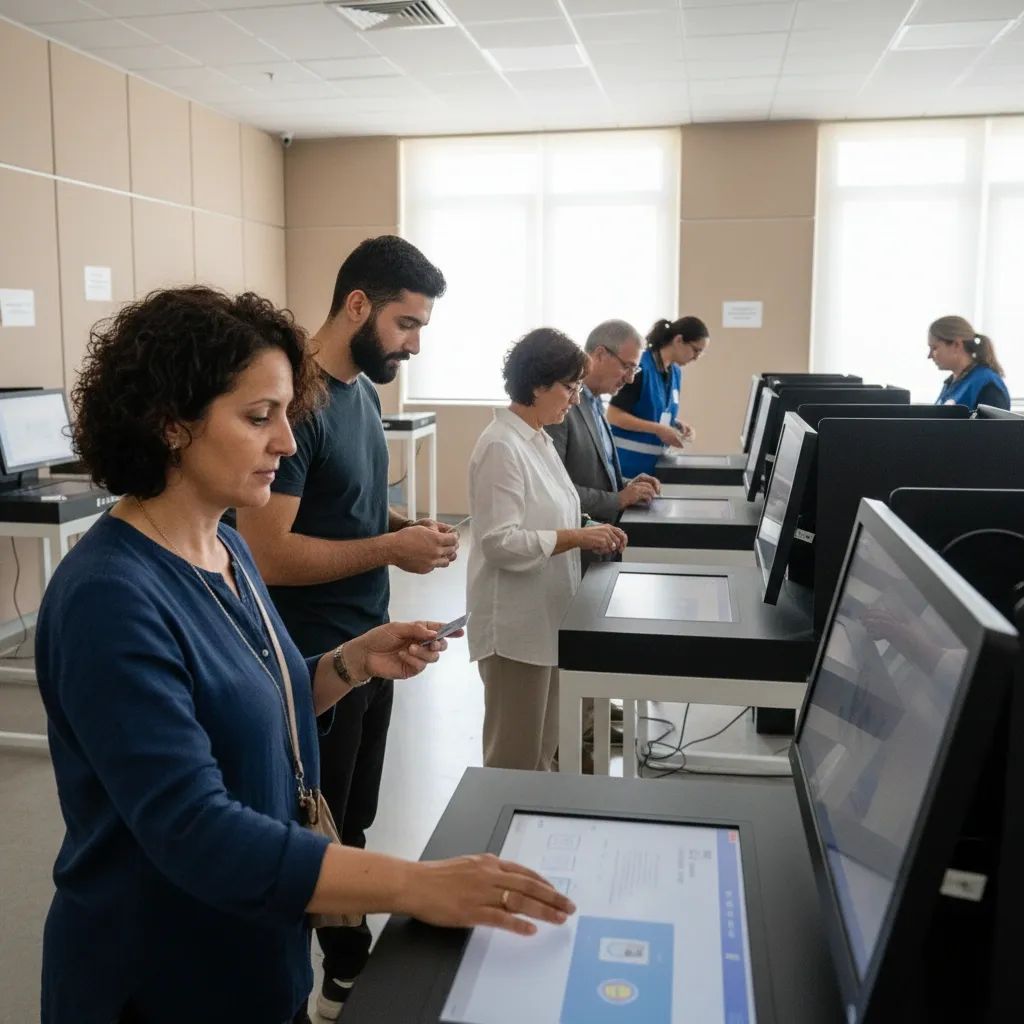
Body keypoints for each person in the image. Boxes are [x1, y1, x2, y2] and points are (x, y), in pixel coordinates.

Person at [36, 287, 573, 1024]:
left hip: (258, 956)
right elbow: (194, 831)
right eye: (260, 417)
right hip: (160, 980)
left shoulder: (224, 545)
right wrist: (416, 885)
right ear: (170, 425)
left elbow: (259, 702)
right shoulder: (110, 597)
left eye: (288, 414)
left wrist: (349, 664)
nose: (288, 443)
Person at [235, 236, 457, 1020]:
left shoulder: (361, 393)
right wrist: (392, 548)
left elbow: (343, 509)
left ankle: (340, 974)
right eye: (406, 323)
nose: (414, 344)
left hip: (368, 644)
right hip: (313, 658)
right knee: (311, 830)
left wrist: (403, 528)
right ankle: (335, 971)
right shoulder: (297, 404)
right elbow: (268, 554)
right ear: (357, 305)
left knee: (352, 819)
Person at [467, 328, 628, 772]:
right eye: (570, 388)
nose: (575, 399)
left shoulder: (538, 438)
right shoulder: (501, 446)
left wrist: (590, 527)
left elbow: (552, 512)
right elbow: (500, 542)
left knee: (542, 757)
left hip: (547, 618)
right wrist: (577, 538)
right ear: (538, 385)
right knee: (514, 764)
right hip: (514, 629)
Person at [546, 319, 662, 566]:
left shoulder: (596, 401)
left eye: (635, 370)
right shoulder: (561, 410)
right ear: (600, 354)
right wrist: (618, 499)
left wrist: (628, 486)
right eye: (627, 367)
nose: (630, 379)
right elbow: (555, 490)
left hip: (601, 543)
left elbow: (594, 473)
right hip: (575, 549)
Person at [607, 315, 710, 478]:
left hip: (653, 467)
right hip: (626, 466)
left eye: (701, 353)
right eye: (696, 350)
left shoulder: (675, 372)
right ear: (678, 340)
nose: (696, 357)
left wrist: (675, 424)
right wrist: (658, 429)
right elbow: (614, 416)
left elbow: (653, 411)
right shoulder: (640, 368)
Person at [927, 315, 1011, 411]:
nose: (929, 356)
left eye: (934, 348)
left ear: (957, 345)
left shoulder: (987, 384)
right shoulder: (951, 383)